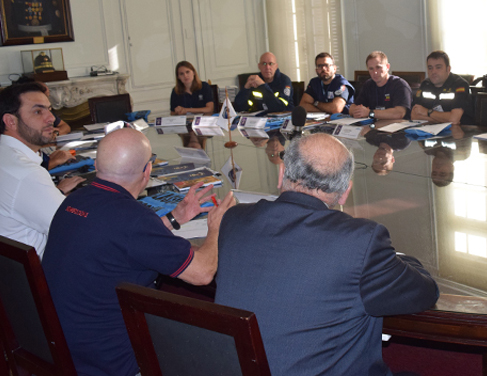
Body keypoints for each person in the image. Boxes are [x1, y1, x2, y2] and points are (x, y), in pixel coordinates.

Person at [215, 133, 439, 376]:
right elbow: (425, 292)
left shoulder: (234, 219)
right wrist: (400, 258)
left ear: (281, 176)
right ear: (345, 192)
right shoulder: (360, 240)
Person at [42, 128, 235, 376]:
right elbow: (203, 273)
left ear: (99, 164)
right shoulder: (132, 219)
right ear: (147, 171)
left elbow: (120, 239)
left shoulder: (74, 201)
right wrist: (217, 227)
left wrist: (175, 218)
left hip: (63, 346)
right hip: (113, 361)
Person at [0, 83, 84, 258]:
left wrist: (57, 193)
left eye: (49, 109)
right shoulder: (26, 174)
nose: (51, 118)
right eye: (38, 112)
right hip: (46, 276)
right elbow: (77, 228)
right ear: (10, 121)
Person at [411, 50, 473, 125]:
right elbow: (414, 116)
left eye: (438, 67)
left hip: (459, 132)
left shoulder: (459, 85)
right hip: (430, 129)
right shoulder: (425, 84)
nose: (433, 71)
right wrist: (444, 119)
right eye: (430, 68)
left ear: (448, 69)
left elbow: (454, 119)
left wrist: (427, 112)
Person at [349, 51, 412, 120]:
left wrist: (370, 113)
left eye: (378, 67)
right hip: (374, 124)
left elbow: (399, 113)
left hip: (397, 126)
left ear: (387, 67)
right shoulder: (368, 85)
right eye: (371, 69)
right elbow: (352, 108)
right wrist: (358, 111)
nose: (375, 72)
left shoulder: (400, 85)